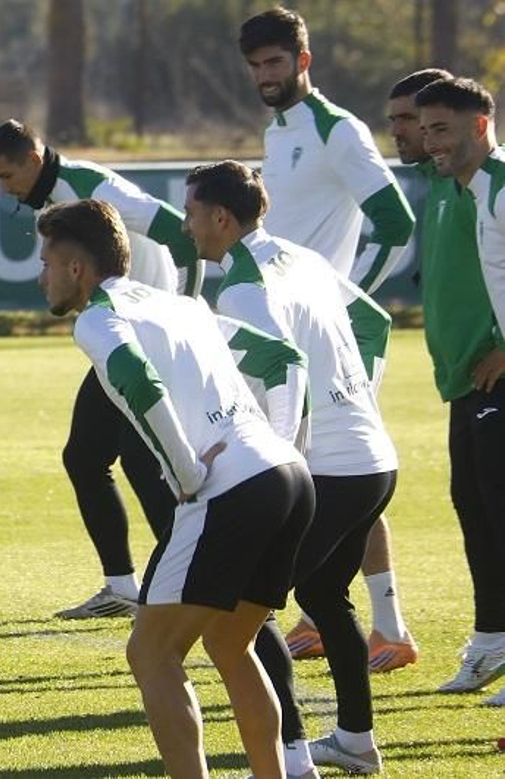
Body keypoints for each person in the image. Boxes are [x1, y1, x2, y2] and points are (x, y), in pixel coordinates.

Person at [39, 199, 314, 779]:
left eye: (46, 262)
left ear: (76, 270)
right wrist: (285, 446)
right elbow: (286, 359)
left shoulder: (97, 319)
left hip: (229, 488)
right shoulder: (180, 305)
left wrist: (186, 473)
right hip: (287, 477)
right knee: (230, 644)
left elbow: (139, 380)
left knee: (151, 653)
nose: (41, 275)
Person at [186, 160, 401, 775]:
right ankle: (355, 742)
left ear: (221, 219)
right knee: (324, 596)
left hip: (327, 468)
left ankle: (292, 757)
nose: (187, 224)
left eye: (193, 212)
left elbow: (285, 372)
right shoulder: (301, 258)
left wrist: (287, 456)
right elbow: (374, 322)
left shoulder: (244, 289)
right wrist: (358, 400)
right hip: (373, 457)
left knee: (246, 613)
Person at [239, 6, 420, 667]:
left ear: (303, 61)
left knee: (342, 474)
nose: (266, 75)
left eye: (276, 63)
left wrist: (344, 298)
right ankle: (338, 616)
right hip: (302, 331)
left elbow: (395, 222)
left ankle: (384, 629)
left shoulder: (336, 130)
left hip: (334, 333)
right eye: (256, 65)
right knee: (332, 478)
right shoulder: (279, 127)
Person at [0, 119, 201, 618]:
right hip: (125, 336)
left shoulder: (92, 187)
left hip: (143, 339)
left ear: (35, 160)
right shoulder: (56, 194)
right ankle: (129, 586)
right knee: (89, 457)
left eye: (6, 175)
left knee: (132, 461)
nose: (2, 188)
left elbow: (181, 236)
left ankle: (188, 578)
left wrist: (183, 313)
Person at [417, 76, 505, 705]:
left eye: (441, 129)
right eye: (425, 132)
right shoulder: (465, 188)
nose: (430, 143)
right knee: (475, 505)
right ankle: (494, 638)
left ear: (480, 125)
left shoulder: (500, 186)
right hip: (470, 378)